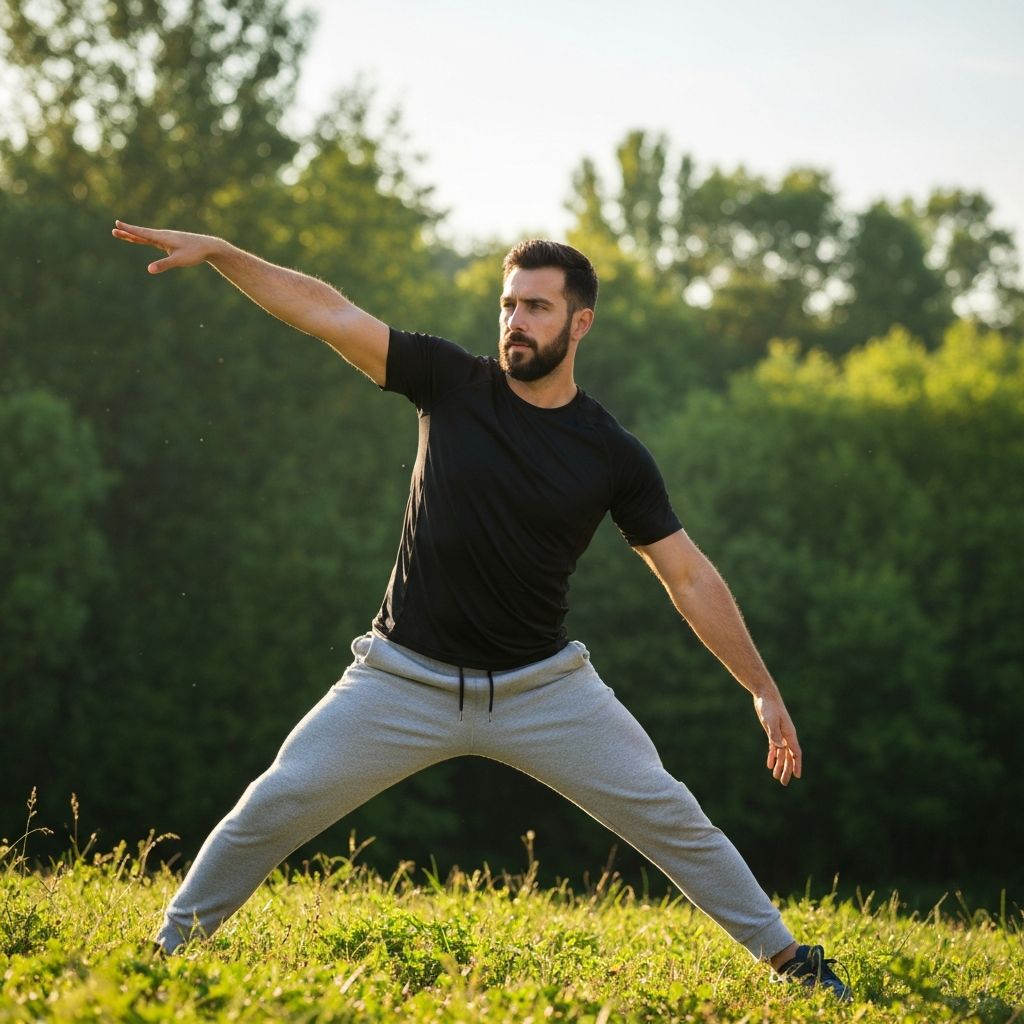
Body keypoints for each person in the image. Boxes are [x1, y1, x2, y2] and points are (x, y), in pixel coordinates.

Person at [111, 220, 851, 1000]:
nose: (515, 323)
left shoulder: (610, 454)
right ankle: (164, 952)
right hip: (401, 679)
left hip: (543, 690)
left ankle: (792, 960)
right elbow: (325, 311)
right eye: (508, 305)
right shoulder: (449, 382)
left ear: (580, 322)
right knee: (275, 802)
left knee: (672, 814)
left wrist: (762, 688)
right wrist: (225, 253)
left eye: (536, 307)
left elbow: (689, 577)